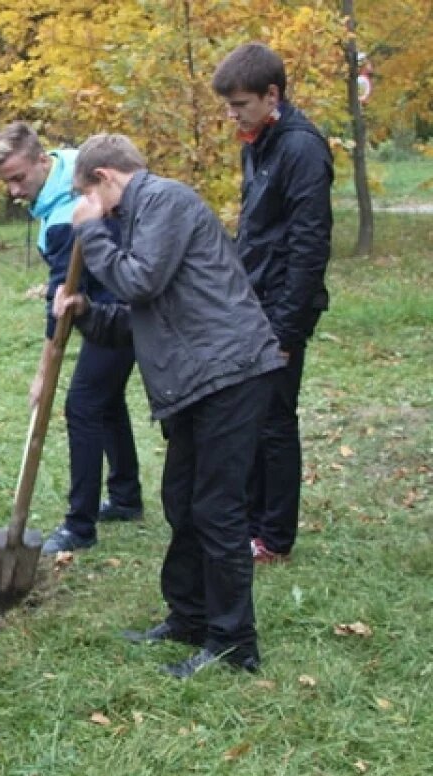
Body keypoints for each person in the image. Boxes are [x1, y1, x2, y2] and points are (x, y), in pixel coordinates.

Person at [54, 134, 284, 678]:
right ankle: (189, 616)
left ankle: (233, 646)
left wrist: (90, 230)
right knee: (182, 500)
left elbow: (140, 280)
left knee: (218, 509)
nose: (86, 208)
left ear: (105, 178)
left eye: (86, 196)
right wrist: (84, 309)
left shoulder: (166, 201)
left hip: (229, 373)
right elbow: (143, 318)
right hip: (195, 382)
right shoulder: (140, 217)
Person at [0, 122, 142, 555]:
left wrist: (43, 373)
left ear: (42, 160)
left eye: (19, 178)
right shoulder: (72, 161)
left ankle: (80, 525)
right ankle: (126, 497)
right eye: (7, 182)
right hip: (122, 301)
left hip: (120, 312)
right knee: (105, 401)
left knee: (84, 405)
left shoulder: (62, 219)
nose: (14, 191)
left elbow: (60, 307)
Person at [212, 42, 334, 564]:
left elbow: (309, 245)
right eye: (228, 104)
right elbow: (256, 230)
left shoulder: (302, 149)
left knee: (276, 420)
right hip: (252, 302)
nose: (231, 114)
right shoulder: (258, 143)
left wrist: (286, 329)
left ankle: (275, 537)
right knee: (253, 417)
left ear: (271, 94)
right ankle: (252, 523)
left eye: (239, 104)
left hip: (283, 309)